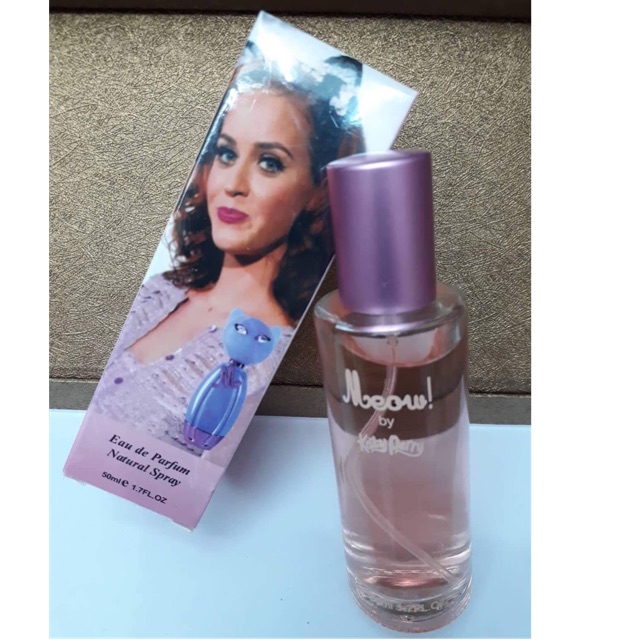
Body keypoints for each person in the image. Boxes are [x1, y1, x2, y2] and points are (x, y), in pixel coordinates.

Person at [89, 58, 365, 455]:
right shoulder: (160, 290)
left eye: (270, 163)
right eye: (226, 154)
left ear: (317, 191)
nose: (233, 184)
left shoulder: (264, 356)